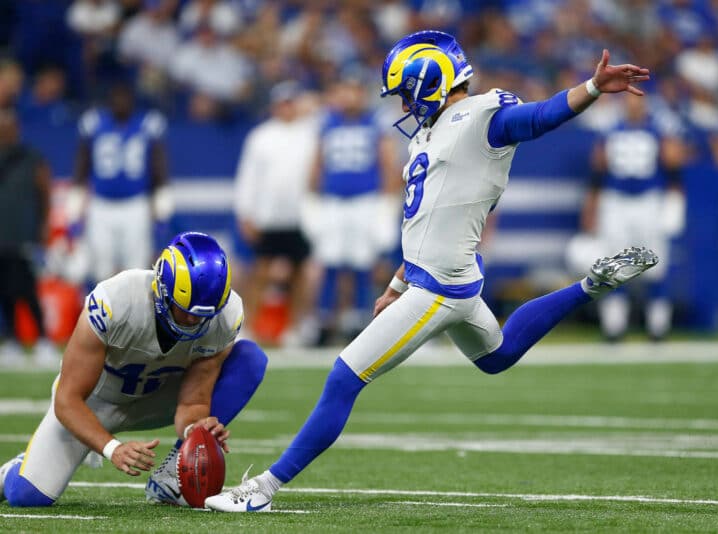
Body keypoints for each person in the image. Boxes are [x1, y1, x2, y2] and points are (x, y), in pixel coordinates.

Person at [206, 30, 656, 512]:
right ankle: (592, 284)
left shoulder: (481, 117)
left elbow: (540, 116)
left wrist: (590, 88)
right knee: (497, 355)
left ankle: (264, 490)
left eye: (405, 92)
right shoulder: (432, 131)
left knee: (343, 377)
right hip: (446, 277)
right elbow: (426, 220)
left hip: (440, 288)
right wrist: (397, 283)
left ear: (429, 85)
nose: (402, 104)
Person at [0, 232, 268, 507]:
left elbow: (193, 401)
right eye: (184, 310)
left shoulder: (225, 316)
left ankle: (171, 479)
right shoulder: (116, 300)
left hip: (157, 395)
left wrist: (195, 431)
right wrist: (111, 448)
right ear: (162, 288)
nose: (192, 321)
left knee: (250, 360)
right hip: (94, 403)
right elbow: (67, 399)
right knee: (27, 496)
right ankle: (12, 470)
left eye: (203, 315)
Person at [578, 95, 686, 341]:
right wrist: (591, 207)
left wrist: (675, 199)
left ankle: (658, 326)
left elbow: (673, 165)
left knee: (655, 264)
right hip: (615, 200)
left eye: (638, 100)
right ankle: (613, 326)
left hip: (649, 200)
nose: (633, 105)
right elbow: (598, 168)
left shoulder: (658, 129)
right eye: (629, 100)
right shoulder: (610, 130)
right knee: (613, 264)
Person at [308, 69, 400, 344]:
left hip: (365, 201)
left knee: (362, 262)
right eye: (344, 89)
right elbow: (318, 162)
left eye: (354, 89)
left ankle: (359, 319)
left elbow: (388, 163)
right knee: (330, 261)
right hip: (333, 202)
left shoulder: (375, 122)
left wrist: (388, 201)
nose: (349, 96)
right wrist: (310, 196)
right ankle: (324, 321)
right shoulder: (327, 122)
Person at [233, 80, 319, 346]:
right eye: (283, 103)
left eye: (291, 102)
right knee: (260, 270)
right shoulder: (261, 136)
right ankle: (249, 326)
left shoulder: (310, 133)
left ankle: (294, 328)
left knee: (300, 272)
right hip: (268, 215)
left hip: (301, 215)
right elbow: (248, 177)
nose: (287, 108)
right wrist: (246, 212)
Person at [68, 83, 173, 284]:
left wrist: (161, 210)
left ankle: (136, 315)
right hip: (101, 205)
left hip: (135, 205)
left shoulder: (147, 125)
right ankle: (105, 314)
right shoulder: (94, 124)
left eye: (125, 97)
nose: (121, 103)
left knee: (138, 271)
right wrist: (74, 210)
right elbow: (81, 169)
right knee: (102, 270)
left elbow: (159, 172)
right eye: (117, 97)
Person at [0, 109, 60, 366]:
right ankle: (12, 339)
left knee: (26, 288)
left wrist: (45, 224)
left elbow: (45, 191)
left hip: (23, 231)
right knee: (4, 289)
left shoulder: (30, 158)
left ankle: (43, 339)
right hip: (1, 233)